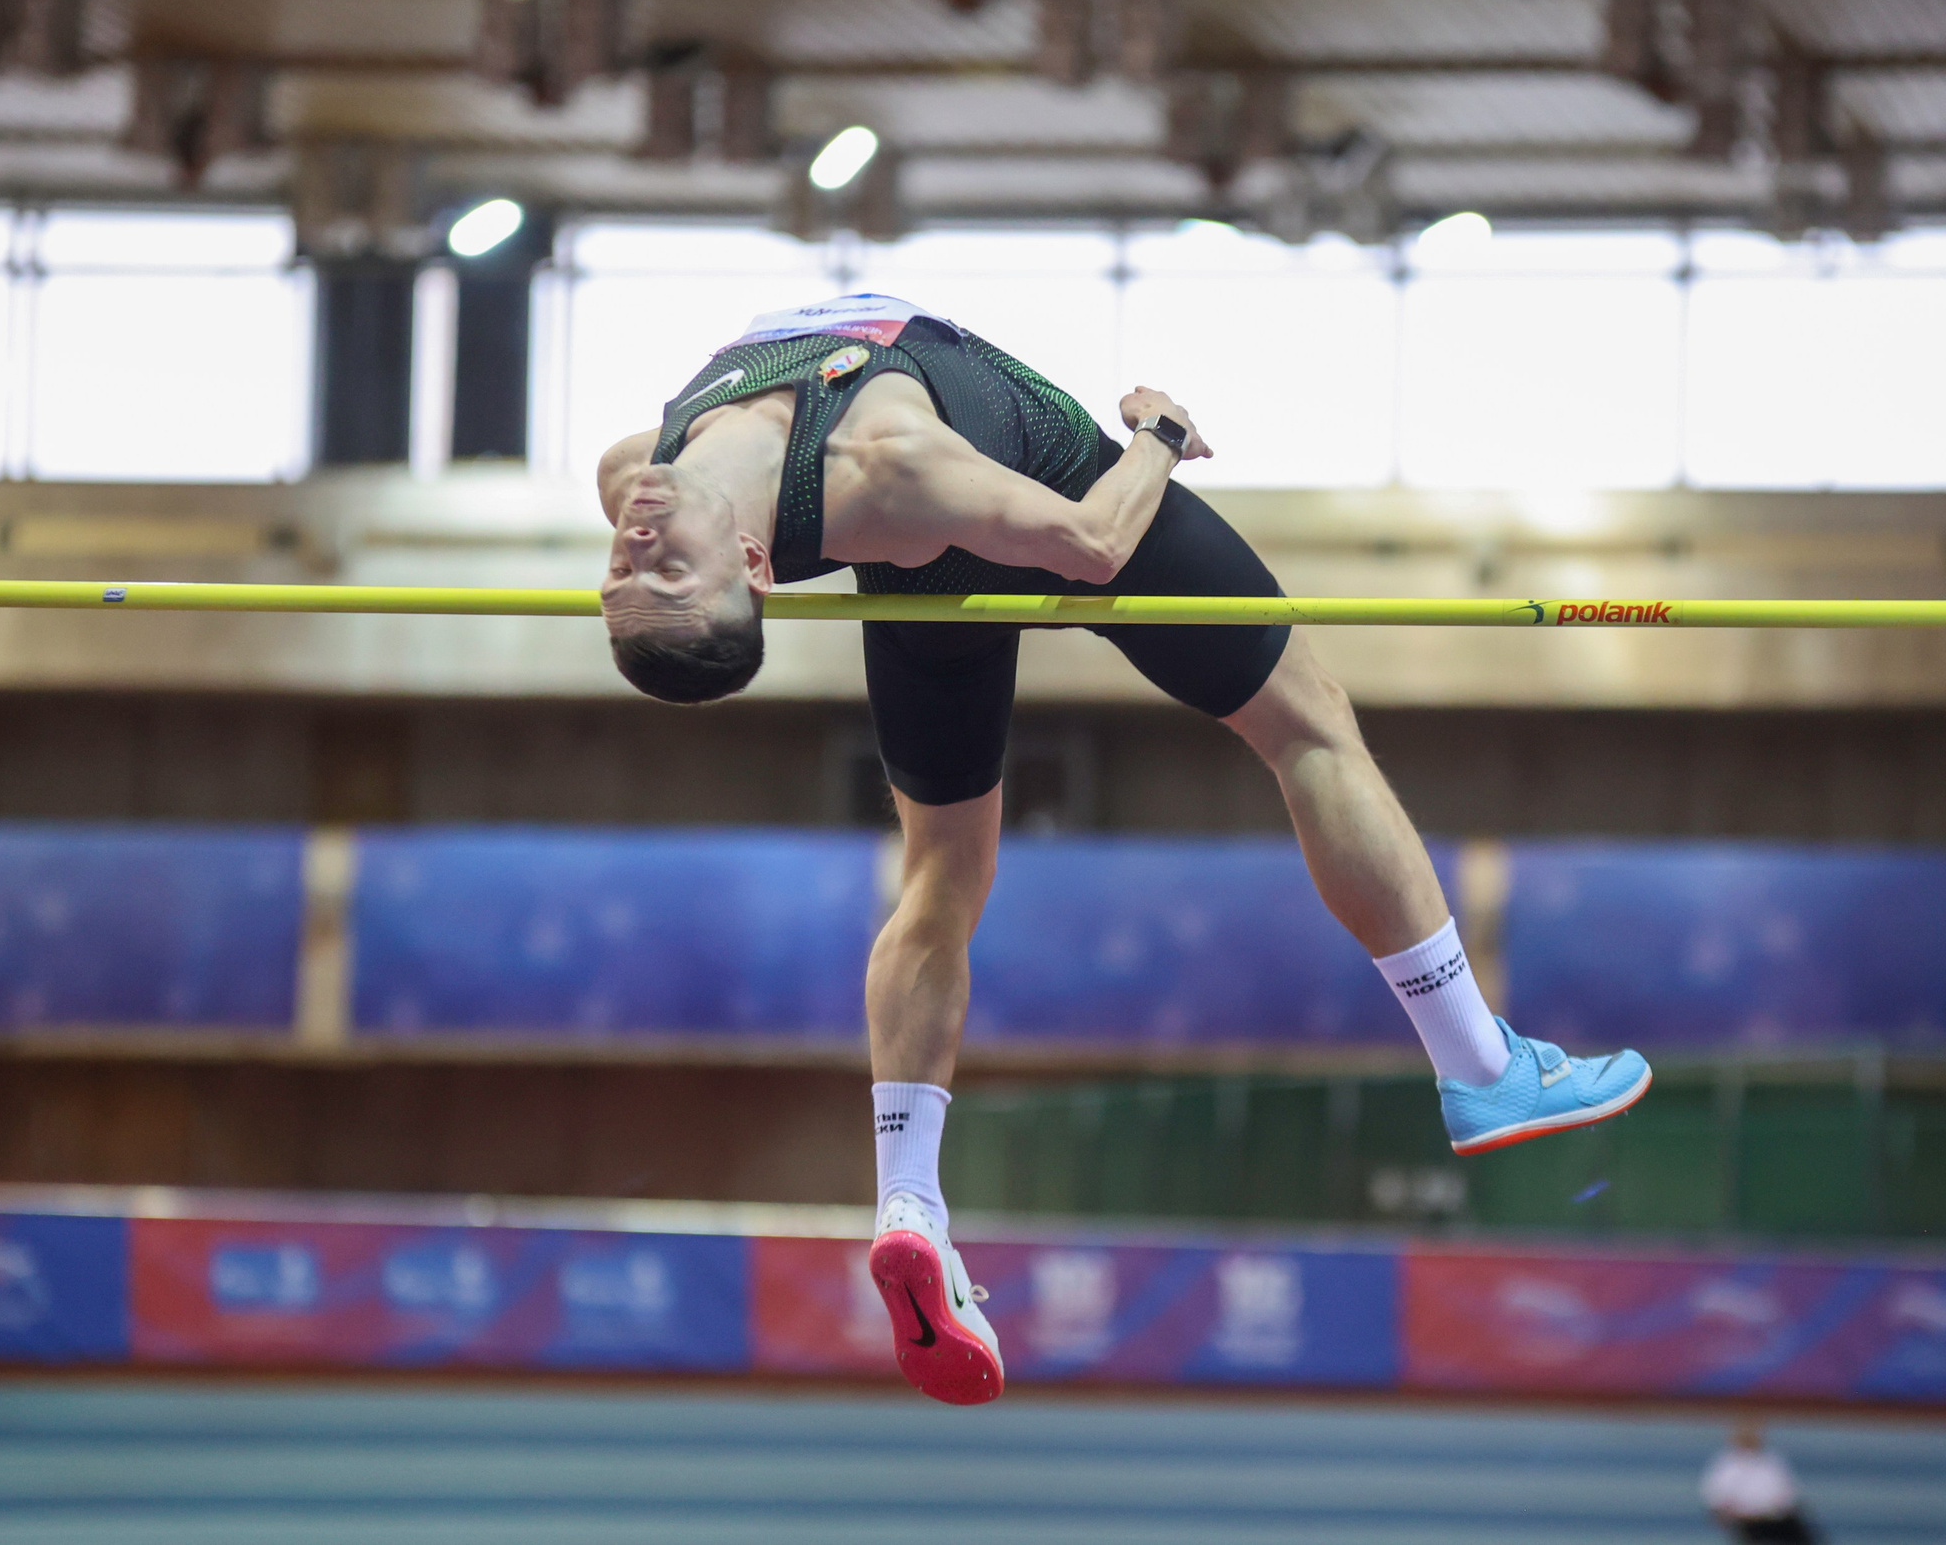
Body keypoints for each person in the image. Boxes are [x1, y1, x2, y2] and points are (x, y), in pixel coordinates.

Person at [595, 293, 1652, 1405]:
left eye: (624, 580)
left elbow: (661, 527)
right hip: (1064, 503)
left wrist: (666, 582)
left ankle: (910, 1203)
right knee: (1307, 726)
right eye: (666, 575)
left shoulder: (630, 473)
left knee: (944, 872)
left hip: (928, 572)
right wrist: (1159, 432)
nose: (635, 552)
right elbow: (1097, 544)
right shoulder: (885, 464)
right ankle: (1480, 1067)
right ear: (756, 564)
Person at [1701, 1421, 1820, 1544]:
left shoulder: (1772, 1460)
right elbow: (1716, 1499)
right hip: (1747, 1521)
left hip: (1777, 1519)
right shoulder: (1726, 1464)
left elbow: (1789, 1493)